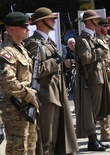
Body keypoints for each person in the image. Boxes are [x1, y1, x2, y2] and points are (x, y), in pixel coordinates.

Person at [24, 7, 78, 154]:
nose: (54, 21)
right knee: (47, 138)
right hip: (46, 95)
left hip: (56, 92)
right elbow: (34, 72)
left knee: (56, 134)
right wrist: (54, 63)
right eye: (51, 19)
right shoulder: (34, 43)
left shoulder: (48, 41)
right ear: (41, 22)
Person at [75, 10, 110, 151]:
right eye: (95, 19)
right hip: (92, 78)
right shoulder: (83, 39)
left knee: (97, 110)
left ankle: (95, 139)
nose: (97, 22)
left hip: (98, 77)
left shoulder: (91, 37)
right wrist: (98, 51)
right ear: (88, 22)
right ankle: (92, 140)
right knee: (91, 110)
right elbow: (85, 58)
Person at [0, 12, 38, 154]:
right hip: (14, 110)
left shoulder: (21, 49)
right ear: (11, 29)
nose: (28, 29)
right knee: (18, 149)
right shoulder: (6, 52)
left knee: (30, 147)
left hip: (27, 107)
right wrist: (29, 94)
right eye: (24, 26)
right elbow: (7, 81)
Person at [95, 17, 110, 142]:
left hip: (108, 76)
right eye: (105, 26)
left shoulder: (103, 40)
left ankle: (108, 130)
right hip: (103, 76)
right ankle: (105, 132)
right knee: (105, 107)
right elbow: (101, 63)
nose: (107, 28)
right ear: (99, 27)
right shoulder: (96, 40)